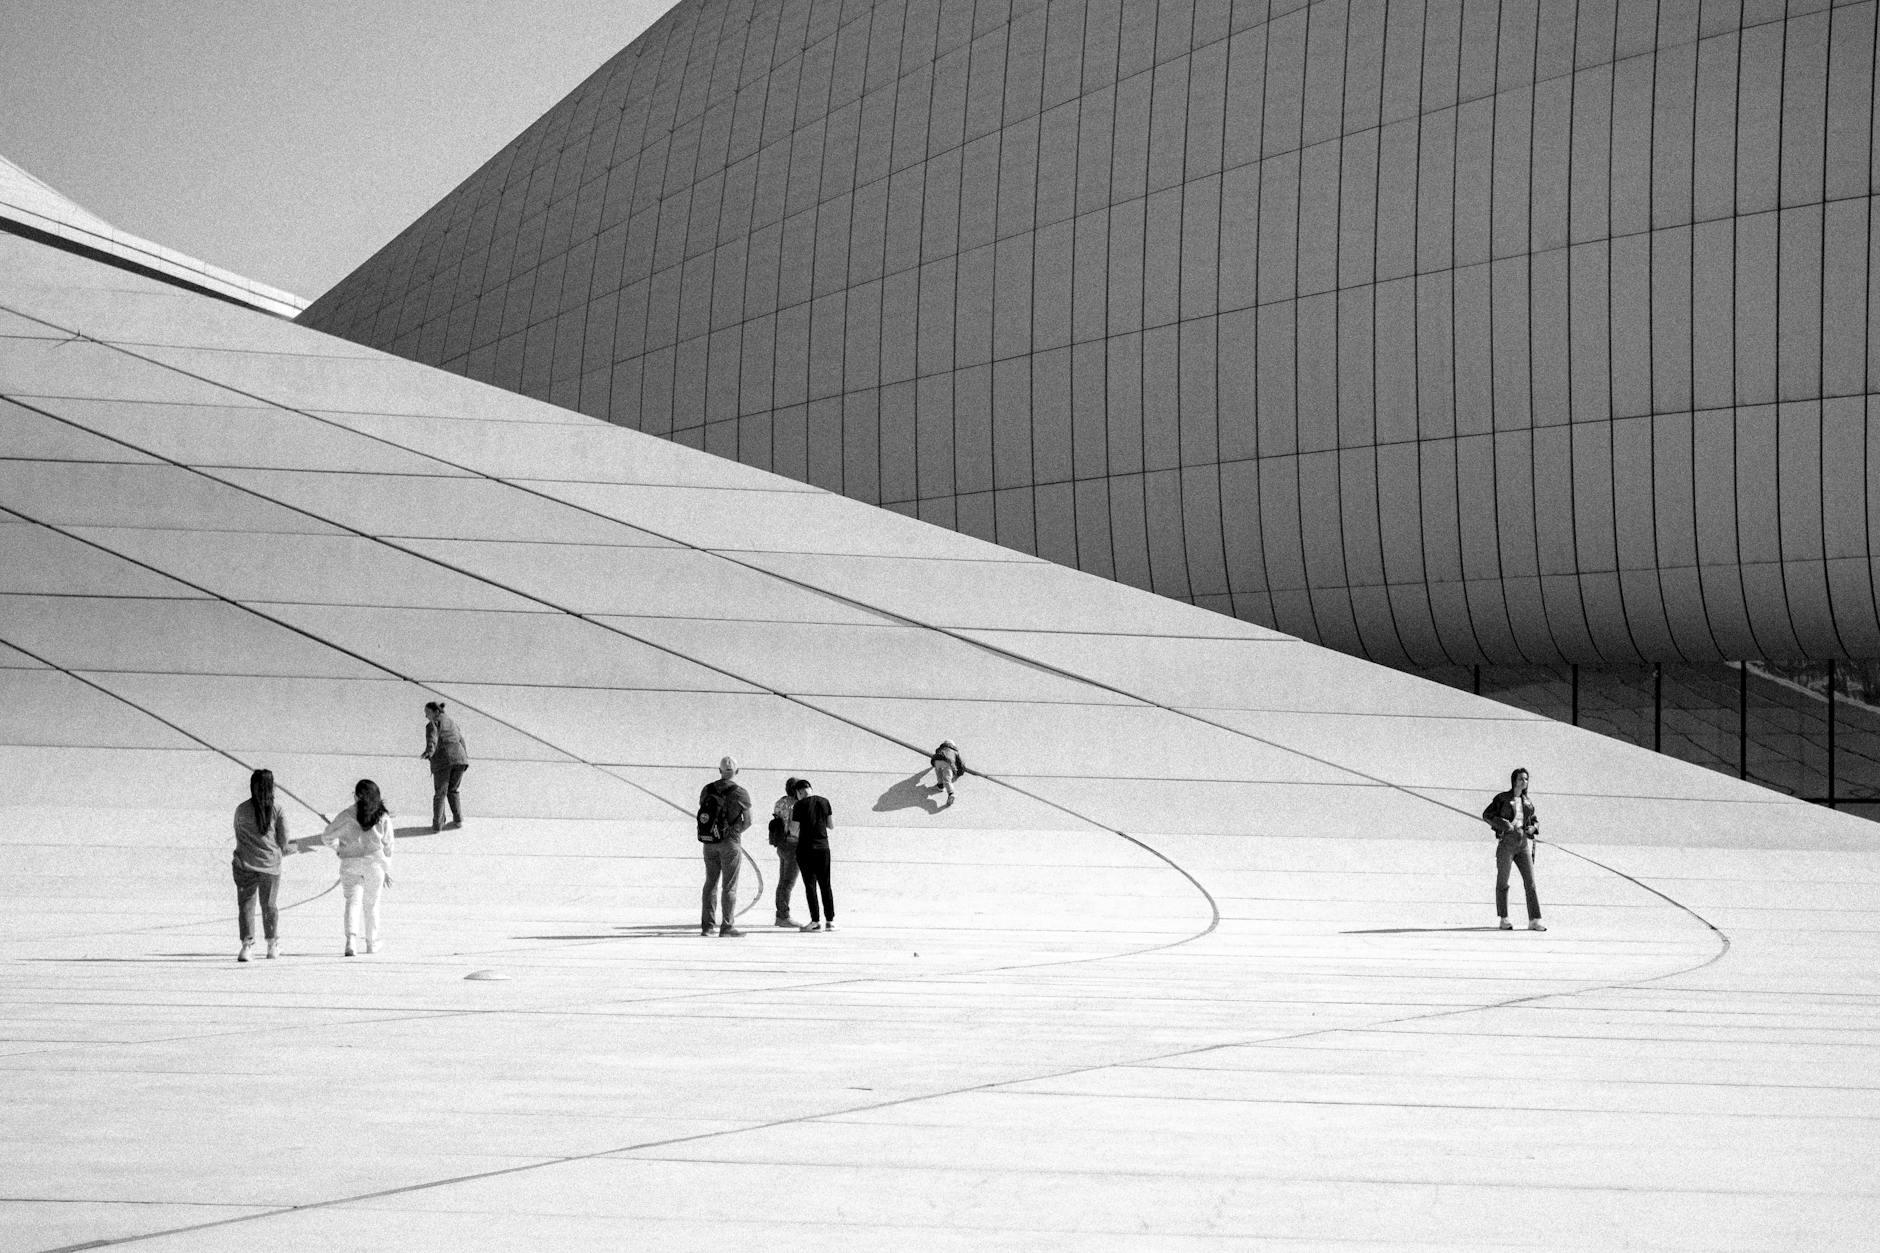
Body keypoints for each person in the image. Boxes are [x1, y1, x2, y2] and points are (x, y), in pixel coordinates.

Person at [320, 779, 395, 956]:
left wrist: (338, 848)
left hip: (350, 862)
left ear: (356, 796)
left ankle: (351, 942)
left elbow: (326, 836)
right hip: (374, 863)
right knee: (372, 904)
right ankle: (371, 943)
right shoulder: (382, 816)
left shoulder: (346, 815)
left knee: (353, 902)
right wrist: (385, 867)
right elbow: (389, 845)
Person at [232, 768, 294, 961]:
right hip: (270, 865)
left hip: (245, 864)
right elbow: (284, 841)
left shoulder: (241, 809)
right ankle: (272, 944)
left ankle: (247, 946)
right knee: (269, 905)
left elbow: (238, 832)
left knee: (246, 906)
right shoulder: (277, 809)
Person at [1481, 767, 1545, 932]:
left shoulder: (1528, 802)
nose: (1524, 782)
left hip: (1523, 844)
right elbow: (1487, 815)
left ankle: (1535, 919)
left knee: (1530, 882)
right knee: (1503, 881)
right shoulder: (1502, 798)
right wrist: (1503, 824)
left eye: (1526, 779)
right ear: (1514, 780)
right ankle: (1504, 918)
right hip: (1507, 843)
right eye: (1521, 779)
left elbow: (1534, 820)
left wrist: (1532, 829)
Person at [697, 756, 751, 937]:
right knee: (729, 886)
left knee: (710, 883)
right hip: (730, 843)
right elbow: (749, 821)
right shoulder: (740, 793)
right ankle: (727, 927)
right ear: (737, 771)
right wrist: (734, 833)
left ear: (719, 771)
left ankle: (707, 927)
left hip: (709, 842)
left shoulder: (707, 789)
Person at [791, 779, 835, 931]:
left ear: (799, 792)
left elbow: (794, 829)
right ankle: (830, 921)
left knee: (810, 885)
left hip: (805, 849)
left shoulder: (799, 805)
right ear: (810, 788)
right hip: (823, 848)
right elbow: (831, 825)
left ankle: (815, 921)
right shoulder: (825, 802)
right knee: (825, 884)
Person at [421, 701, 468, 832]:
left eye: (427, 713)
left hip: (444, 760)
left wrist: (428, 752)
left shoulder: (433, 724)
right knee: (453, 790)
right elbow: (461, 740)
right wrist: (464, 758)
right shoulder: (452, 722)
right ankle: (458, 820)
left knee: (440, 793)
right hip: (460, 759)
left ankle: (437, 825)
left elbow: (432, 739)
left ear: (436, 712)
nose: (426, 716)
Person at [769, 777, 802, 928]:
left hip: (781, 845)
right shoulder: (798, 805)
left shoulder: (780, 802)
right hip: (793, 845)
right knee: (788, 883)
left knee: (782, 881)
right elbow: (796, 829)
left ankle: (780, 914)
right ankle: (783, 916)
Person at [930, 740, 966, 804]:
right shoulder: (955, 751)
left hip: (937, 761)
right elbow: (960, 763)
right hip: (947, 762)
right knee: (947, 779)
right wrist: (960, 773)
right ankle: (951, 793)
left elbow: (935, 754)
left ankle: (940, 786)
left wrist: (933, 764)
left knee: (939, 774)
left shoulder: (940, 748)